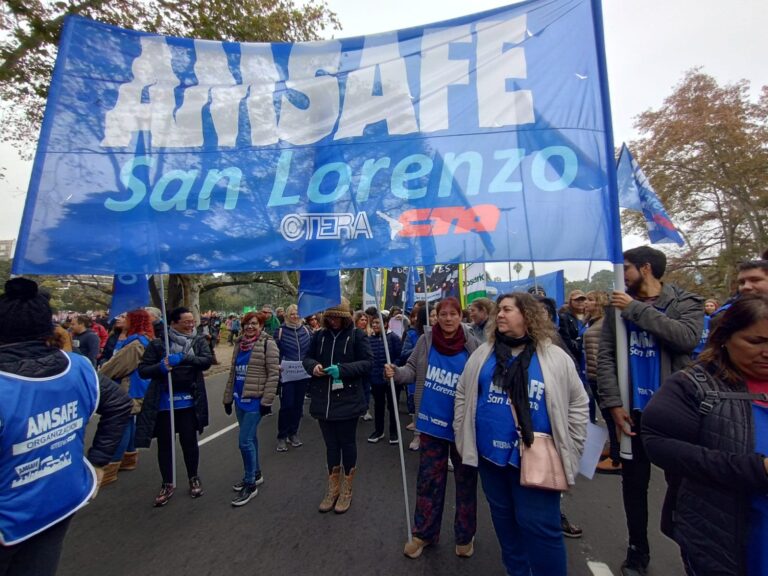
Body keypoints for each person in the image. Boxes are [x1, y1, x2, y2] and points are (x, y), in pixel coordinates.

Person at [0, 278, 132, 576]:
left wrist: (98, 461)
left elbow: (120, 406)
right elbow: (119, 405)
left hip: (12, 514)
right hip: (63, 497)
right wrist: (98, 464)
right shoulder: (80, 367)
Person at [454, 292, 589, 575]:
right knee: (505, 526)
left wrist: (572, 447)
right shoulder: (483, 353)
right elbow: (463, 394)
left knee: (541, 530)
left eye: (506, 309)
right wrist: (462, 434)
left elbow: (578, 403)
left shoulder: (554, 357)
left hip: (536, 461)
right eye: (498, 311)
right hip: (491, 460)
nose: (499, 314)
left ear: (527, 315)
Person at [642, 294, 768, 576]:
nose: (767, 352)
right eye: (756, 342)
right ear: (724, 338)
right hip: (725, 537)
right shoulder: (693, 386)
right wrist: (755, 469)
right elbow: (660, 445)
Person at [597, 246, 704, 576]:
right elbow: (606, 358)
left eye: (625, 268)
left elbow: (685, 338)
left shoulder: (685, 302)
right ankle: (637, 552)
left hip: (675, 414)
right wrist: (613, 404)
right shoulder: (616, 308)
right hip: (632, 413)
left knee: (685, 486)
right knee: (633, 484)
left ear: (645, 268)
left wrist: (636, 310)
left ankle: (695, 553)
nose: (621, 275)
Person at [384, 297, 480, 559]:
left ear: (461, 316)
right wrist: (396, 372)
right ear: (436, 316)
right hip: (431, 424)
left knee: (466, 482)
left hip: (463, 427)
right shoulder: (426, 341)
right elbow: (411, 369)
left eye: (453, 314)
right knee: (429, 482)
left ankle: (465, 535)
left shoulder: (474, 344)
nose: (448, 319)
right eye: (443, 314)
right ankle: (423, 534)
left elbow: (484, 378)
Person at [137, 307, 212, 507]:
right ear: (173, 323)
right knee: (165, 446)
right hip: (163, 404)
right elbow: (143, 370)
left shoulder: (198, 341)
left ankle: (193, 477)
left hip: (189, 401)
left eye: (192, 321)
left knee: (189, 442)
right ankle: (167, 483)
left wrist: (185, 358)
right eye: (186, 321)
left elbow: (206, 361)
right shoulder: (159, 345)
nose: (190, 325)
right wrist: (160, 367)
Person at [303, 298, 372, 514]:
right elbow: (307, 358)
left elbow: (368, 363)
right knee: (331, 446)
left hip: (348, 399)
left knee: (347, 444)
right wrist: (313, 367)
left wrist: (342, 370)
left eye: (337, 317)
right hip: (323, 399)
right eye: (329, 317)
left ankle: (346, 489)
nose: (332, 321)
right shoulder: (318, 336)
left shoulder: (357, 335)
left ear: (345, 317)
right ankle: (332, 489)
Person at [223, 311, 279, 506]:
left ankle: (250, 484)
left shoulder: (267, 344)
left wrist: (267, 401)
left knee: (244, 441)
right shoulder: (239, 344)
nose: (250, 327)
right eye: (247, 323)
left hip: (256, 401)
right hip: (240, 399)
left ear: (261, 326)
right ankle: (255, 473)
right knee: (251, 438)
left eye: (254, 323)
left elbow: (273, 374)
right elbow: (233, 372)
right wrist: (228, 397)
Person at [98, 309, 155, 484]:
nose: (119, 318)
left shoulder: (135, 343)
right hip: (135, 388)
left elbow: (115, 366)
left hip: (129, 388)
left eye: (125, 317)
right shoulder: (137, 339)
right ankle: (129, 457)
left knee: (121, 425)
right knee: (128, 422)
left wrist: (101, 373)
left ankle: (111, 466)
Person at [583, 291, 620, 474]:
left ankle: (616, 457)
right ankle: (613, 447)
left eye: (590, 299)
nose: (585, 303)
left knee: (612, 417)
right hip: (594, 375)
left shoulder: (604, 324)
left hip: (601, 377)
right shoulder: (592, 322)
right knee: (607, 417)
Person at [275, 305, 313, 452]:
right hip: (287, 374)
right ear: (286, 316)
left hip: (302, 374)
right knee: (287, 405)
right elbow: (274, 351)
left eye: (297, 314)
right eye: (292, 314)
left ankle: (294, 433)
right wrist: (277, 365)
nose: (295, 316)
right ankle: (282, 436)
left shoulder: (306, 331)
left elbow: (311, 350)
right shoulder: (280, 331)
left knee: (298, 405)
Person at [367, 312, 402, 444]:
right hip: (376, 379)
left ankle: (394, 432)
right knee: (378, 405)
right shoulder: (369, 339)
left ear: (386, 324)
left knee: (393, 406)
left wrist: (393, 367)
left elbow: (401, 356)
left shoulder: (393, 338)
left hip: (392, 378)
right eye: (374, 323)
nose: (375, 325)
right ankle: (379, 431)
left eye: (378, 322)